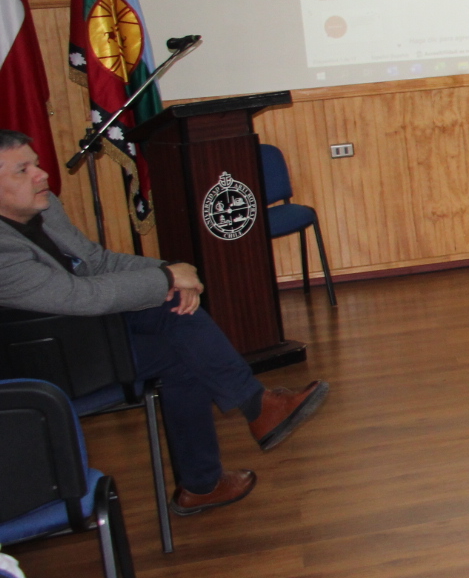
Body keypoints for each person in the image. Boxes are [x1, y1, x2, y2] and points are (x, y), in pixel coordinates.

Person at [0, 132, 328, 516]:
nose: (41, 175)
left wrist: (170, 270)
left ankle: (225, 453)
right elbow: (78, 296)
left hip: (83, 335)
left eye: (37, 163)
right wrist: (168, 279)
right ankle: (229, 446)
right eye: (23, 170)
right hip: (42, 365)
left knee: (178, 319)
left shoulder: (44, 206)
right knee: (184, 348)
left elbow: (98, 262)